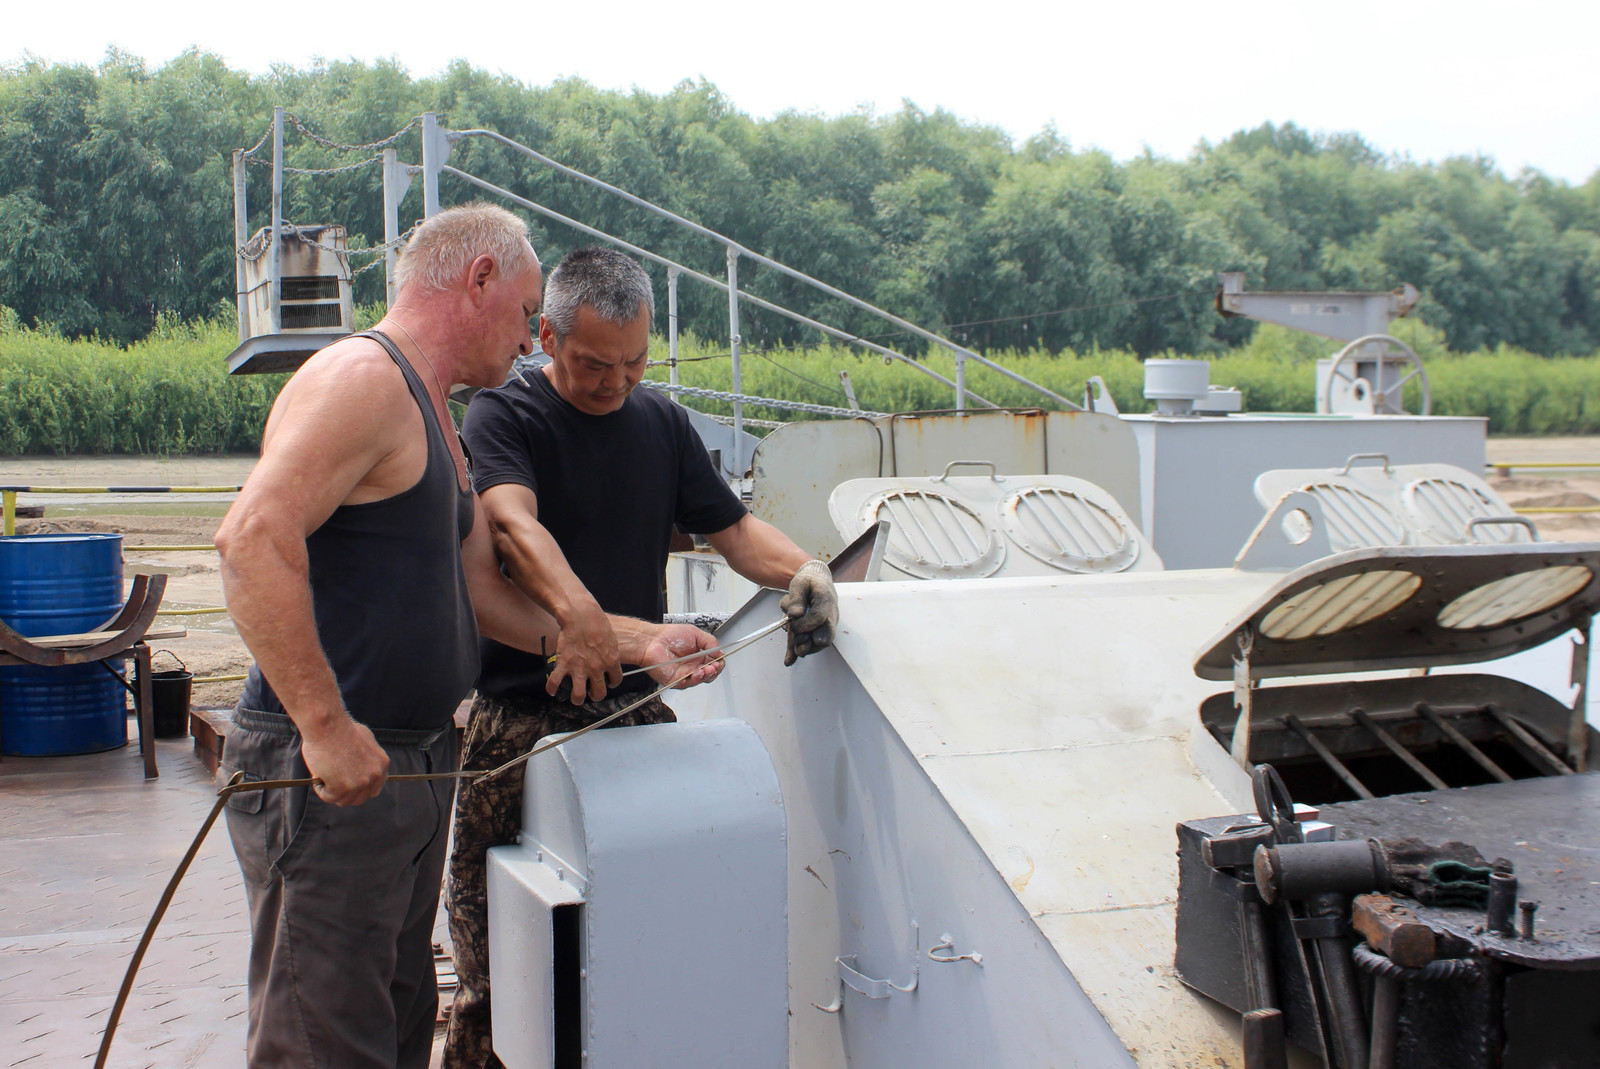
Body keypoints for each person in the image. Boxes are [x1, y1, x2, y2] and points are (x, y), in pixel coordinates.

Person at [214, 207, 721, 1069]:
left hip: (407, 765)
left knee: (396, 1028)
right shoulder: (366, 379)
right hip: (332, 774)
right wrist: (325, 724)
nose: (532, 341)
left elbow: (486, 599)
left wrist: (640, 642)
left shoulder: (435, 412)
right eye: (528, 312)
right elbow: (251, 539)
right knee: (324, 1040)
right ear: (479, 280)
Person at [442, 246, 838, 1068]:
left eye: (633, 362)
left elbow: (734, 532)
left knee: (648, 930)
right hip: (518, 717)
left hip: (628, 708)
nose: (614, 382)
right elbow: (511, 524)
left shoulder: (660, 422)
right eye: (593, 363)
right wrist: (581, 613)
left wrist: (807, 569)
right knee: (496, 965)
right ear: (545, 336)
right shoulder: (502, 415)